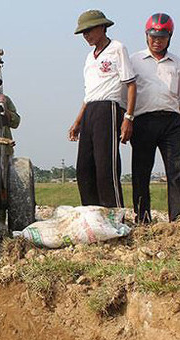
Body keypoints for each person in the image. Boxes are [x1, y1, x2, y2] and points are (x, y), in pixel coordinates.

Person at [69, 10, 136, 208]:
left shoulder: (117, 48)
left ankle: (115, 214)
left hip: (109, 108)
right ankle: (92, 213)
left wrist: (128, 118)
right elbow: (89, 94)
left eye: (89, 30)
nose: (86, 35)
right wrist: (78, 121)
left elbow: (131, 84)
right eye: (83, 32)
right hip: (90, 109)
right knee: (84, 168)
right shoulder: (90, 58)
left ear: (102, 27)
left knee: (105, 166)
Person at [130, 13, 180, 223]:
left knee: (176, 171)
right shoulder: (134, 60)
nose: (157, 41)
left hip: (172, 122)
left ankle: (176, 219)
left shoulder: (176, 63)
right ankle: (142, 218)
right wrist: (127, 119)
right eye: (153, 36)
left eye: (162, 37)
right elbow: (127, 93)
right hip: (143, 121)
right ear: (146, 35)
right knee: (141, 171)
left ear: (170, 36)